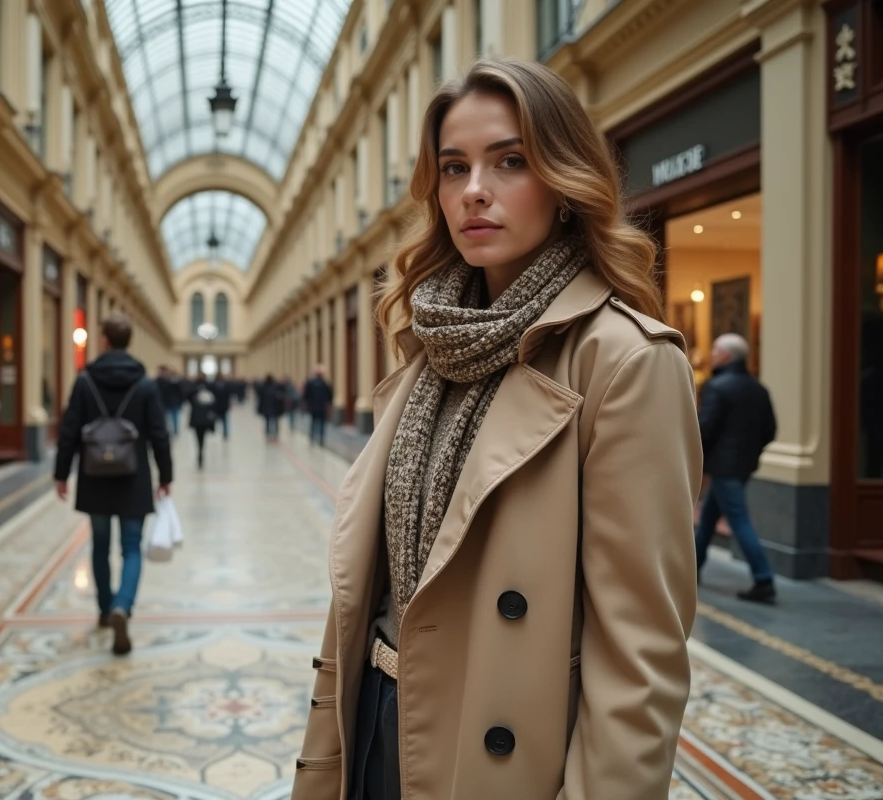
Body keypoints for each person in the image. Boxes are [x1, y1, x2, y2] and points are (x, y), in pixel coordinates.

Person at [293, 58, 701, 800]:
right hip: (378, 720)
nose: (474, 189)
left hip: (499, 754)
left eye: (510, 160)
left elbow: (639, 664)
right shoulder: (427, 348)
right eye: (454, 167)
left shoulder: (624, 363)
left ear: (565, 182)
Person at [55, 315, 172, 656]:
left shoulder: (85, 381)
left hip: (94, 477)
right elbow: (159, 434)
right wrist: (165, 475)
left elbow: (69, 430)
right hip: (134, 477)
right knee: (132, 547)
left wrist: (61, 473)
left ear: (104, 340)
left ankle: (106, 611)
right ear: (129, 341)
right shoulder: (146, 384)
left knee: (100, 545)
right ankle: (123, 604)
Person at [695, 332, 778, 603]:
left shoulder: (717, 387)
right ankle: (691, 567)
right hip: (743, 465)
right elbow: (770, 430)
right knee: (708, 518)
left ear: (727, 356)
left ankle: (764, 578)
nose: (713, 353)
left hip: (723, 466)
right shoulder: (758, 387)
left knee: (738, 520)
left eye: (716, 349)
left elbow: (703, 429)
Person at [188, 376, 218, 468]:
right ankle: (201, 452)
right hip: (204, 420)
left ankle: (200, 452)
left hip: (198, 420)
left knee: (199, 438)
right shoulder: (209, 394)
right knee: (201, 438)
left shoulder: (195, 394)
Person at [302, 365, 333, 447]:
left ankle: (312, 437)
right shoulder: (325, 384)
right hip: (322, 407)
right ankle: (321, 439)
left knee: (313, 422)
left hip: (313, 407)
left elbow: (305, 396)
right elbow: (330, 397)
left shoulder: (310, 383)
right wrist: (329, 407)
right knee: (322, 423)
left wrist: (307, 405)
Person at [156, 366, 184, 437]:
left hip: (173, 402)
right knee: (167, 418)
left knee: (173, 418)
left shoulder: (174, 382)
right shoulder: (161, 381)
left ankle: (174, 430)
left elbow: (180, 392)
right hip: (166, 402)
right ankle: (169, 430)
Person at [257, 374, 283, 442]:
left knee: (268, 422)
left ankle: (269, 434)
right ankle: (274, 434)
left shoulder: (264, 387)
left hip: (268, 408)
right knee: (274, 422)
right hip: (274, 408)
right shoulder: (275, 387)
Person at [212, 372, 233, 440]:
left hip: (222, 405)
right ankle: (217, 432)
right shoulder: (214, 385)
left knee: (224, 420)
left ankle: (225, 433)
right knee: (220, 420)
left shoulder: (226, 385)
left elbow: (228, 396)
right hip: (218, 405)